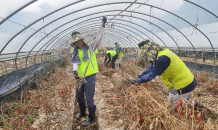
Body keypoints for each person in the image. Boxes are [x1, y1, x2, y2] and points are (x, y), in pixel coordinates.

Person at [135, 39, 197, 110]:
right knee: (186, 101)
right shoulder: (161, 53)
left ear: (150, 50)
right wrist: (140, 76)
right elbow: (150, 68)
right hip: (188, 81)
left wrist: (136, 81)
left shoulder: (162, 59)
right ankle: (197, 106)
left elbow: (151, 76)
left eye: (146, 54)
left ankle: (177, 119)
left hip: (181, 85)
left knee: (172, 108)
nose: (146, 57)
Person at [71, 16, 107, 126]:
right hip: (80, 78)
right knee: (79, 96)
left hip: (90, 76)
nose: (78, 43)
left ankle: (91, 118)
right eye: (76, 41)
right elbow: (75, 63)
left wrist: (103, 26)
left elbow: (99, 38)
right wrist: (75, 73)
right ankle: (82, 112)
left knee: (90, 98)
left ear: (82, 39)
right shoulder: (75, 52)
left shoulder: (91, 46)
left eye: (79, 40)